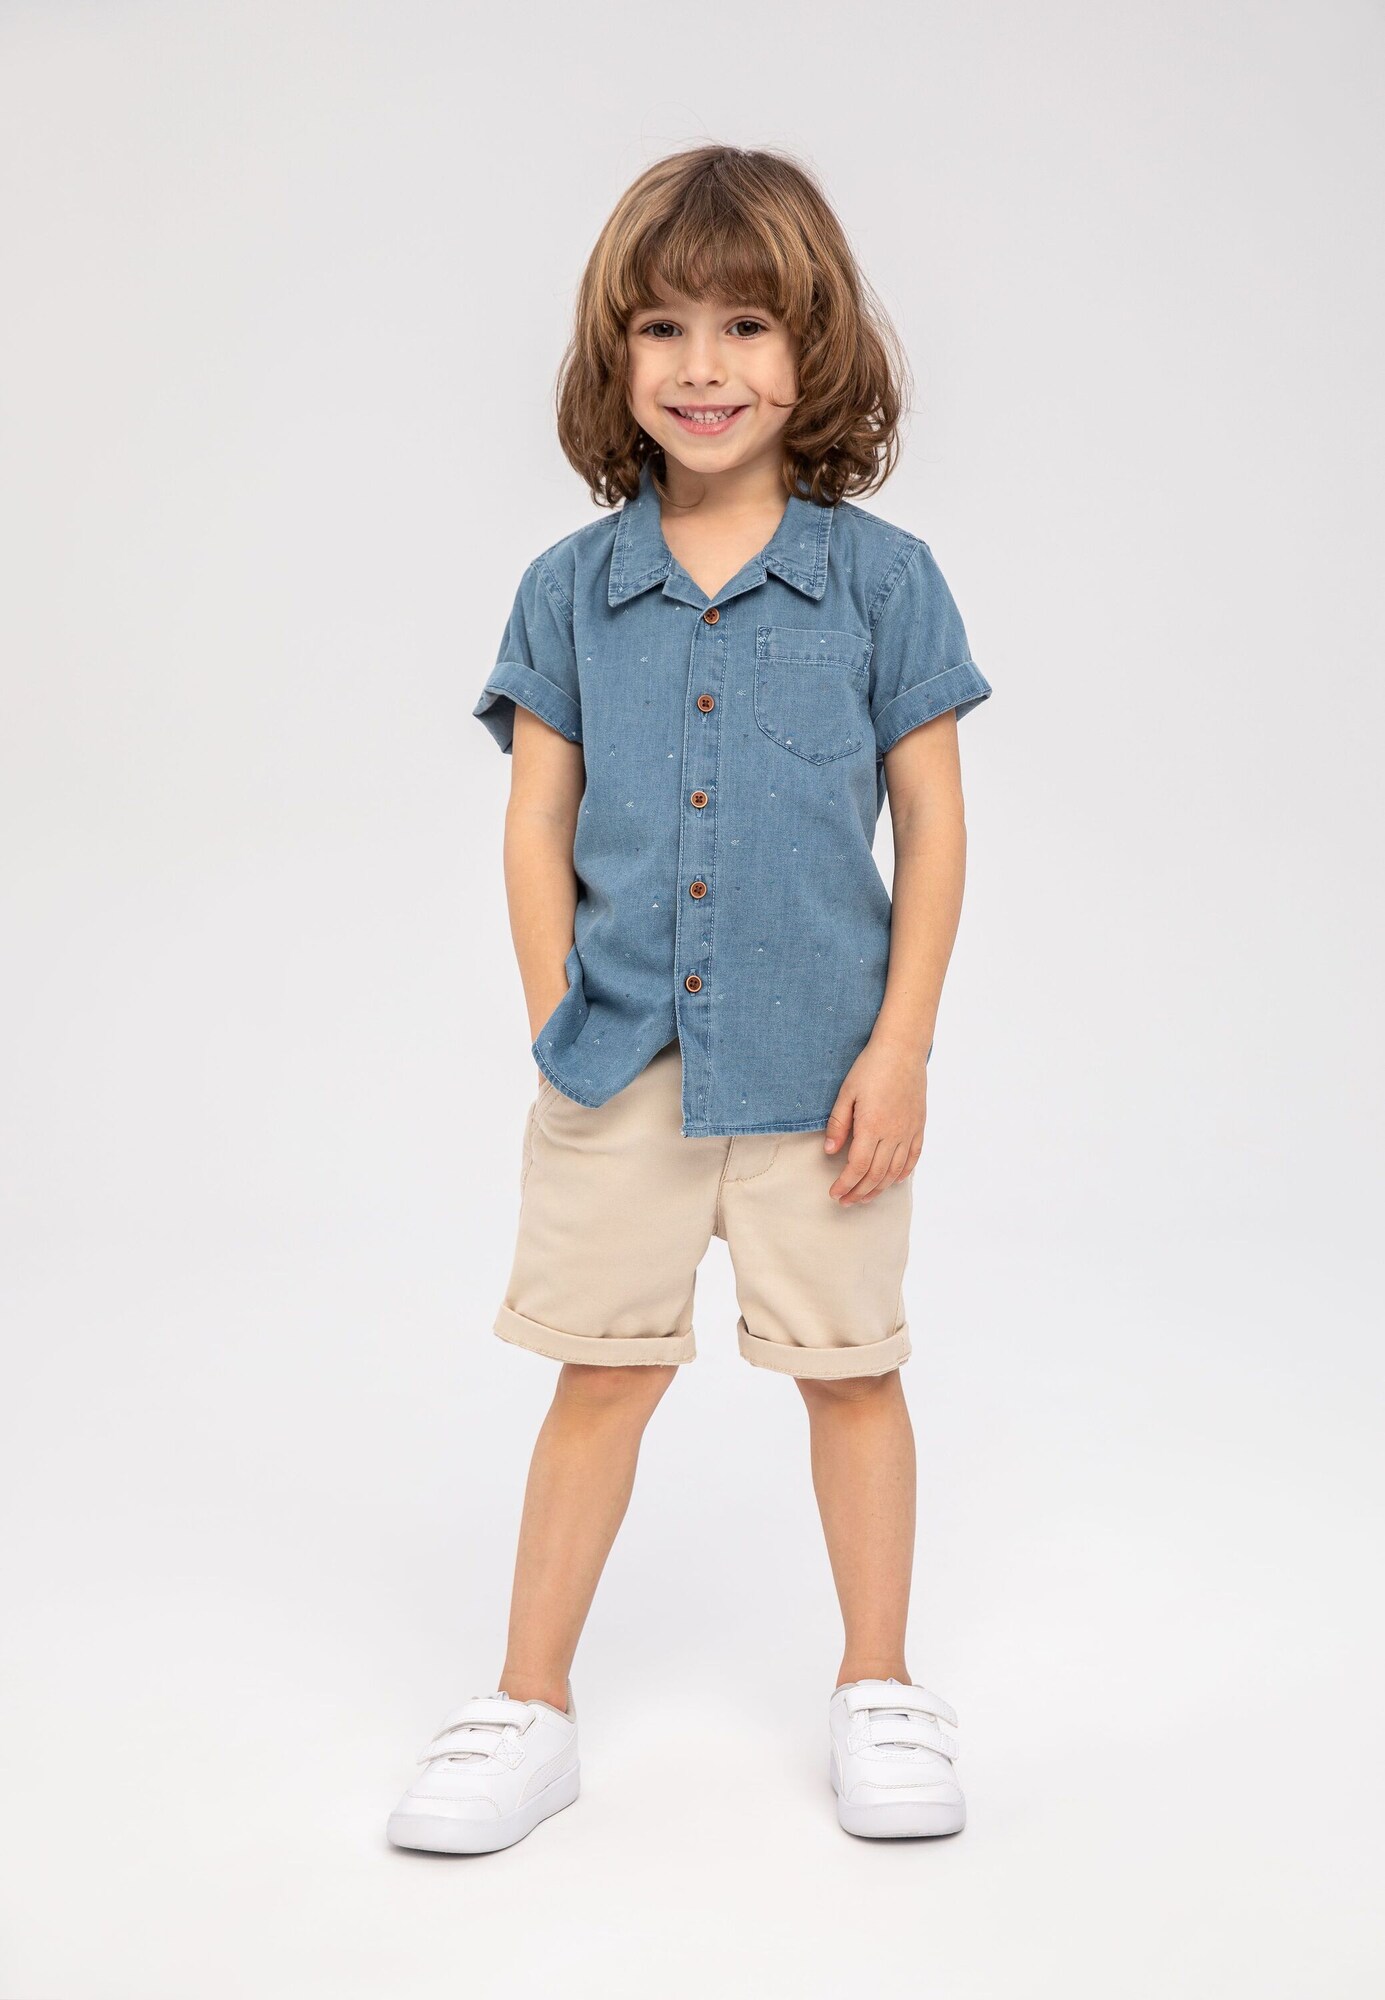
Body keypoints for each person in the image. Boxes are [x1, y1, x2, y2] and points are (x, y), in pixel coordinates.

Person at [387, 143, 992, 1856]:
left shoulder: (883, 581)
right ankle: (528, 1703)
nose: (703, 366)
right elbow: (537, 817)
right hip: (621, 1068)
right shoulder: (570, 589)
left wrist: (901, 1047)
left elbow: (934, 826)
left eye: (744, 324)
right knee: (598, 1375)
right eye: (662, 327)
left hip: (825, 1077)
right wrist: (556, 1027)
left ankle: (878, 1684)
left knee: (850, 1374)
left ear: (815, 349)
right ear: (615, 356)